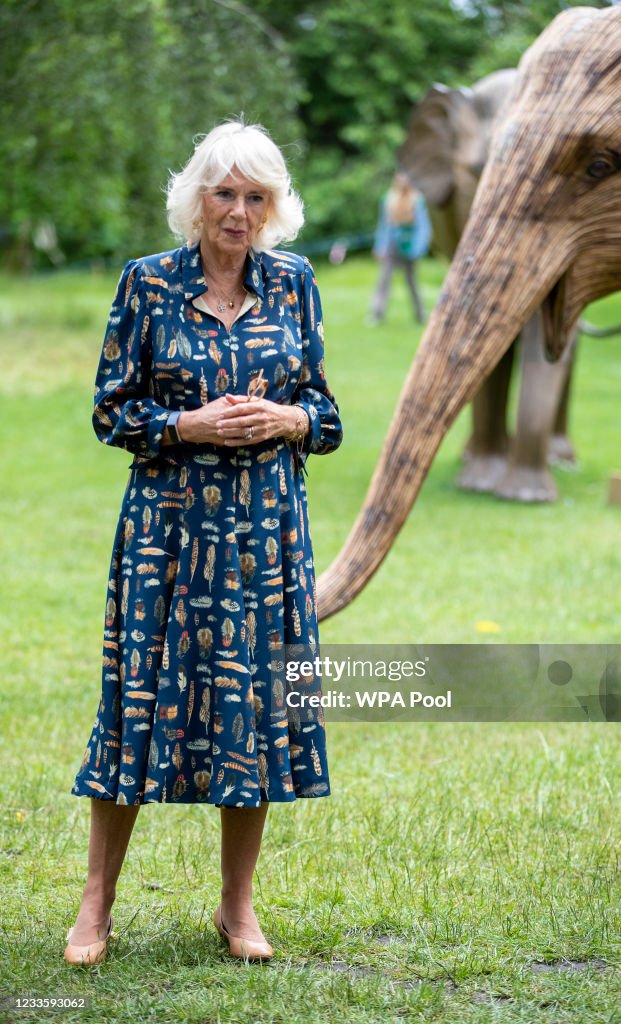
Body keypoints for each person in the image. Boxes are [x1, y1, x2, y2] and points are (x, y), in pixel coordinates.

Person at [65, 120, 343, 966]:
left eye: (255, 197)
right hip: (167, 533)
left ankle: (238, 909)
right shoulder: (147, 285)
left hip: (265, 533)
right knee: (138, 703)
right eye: (224, 193)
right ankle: (95, 907)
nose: (238, 211)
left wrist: (290, 417)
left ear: (273, 206)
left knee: (253, 710)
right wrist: (185, 423)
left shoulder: (294, 283)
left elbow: (326, 417)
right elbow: (111, 410)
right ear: (196, 198)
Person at [370, 171, 432, 325]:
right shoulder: (389, 198)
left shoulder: (417, 200)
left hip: (409, 245)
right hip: (392, 245)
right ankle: (377, 314)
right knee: (384, 280)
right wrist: (380, 246)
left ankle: (420, 314)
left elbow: (423, 226)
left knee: (412, 282)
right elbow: (384, 224)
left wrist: (418, 248)